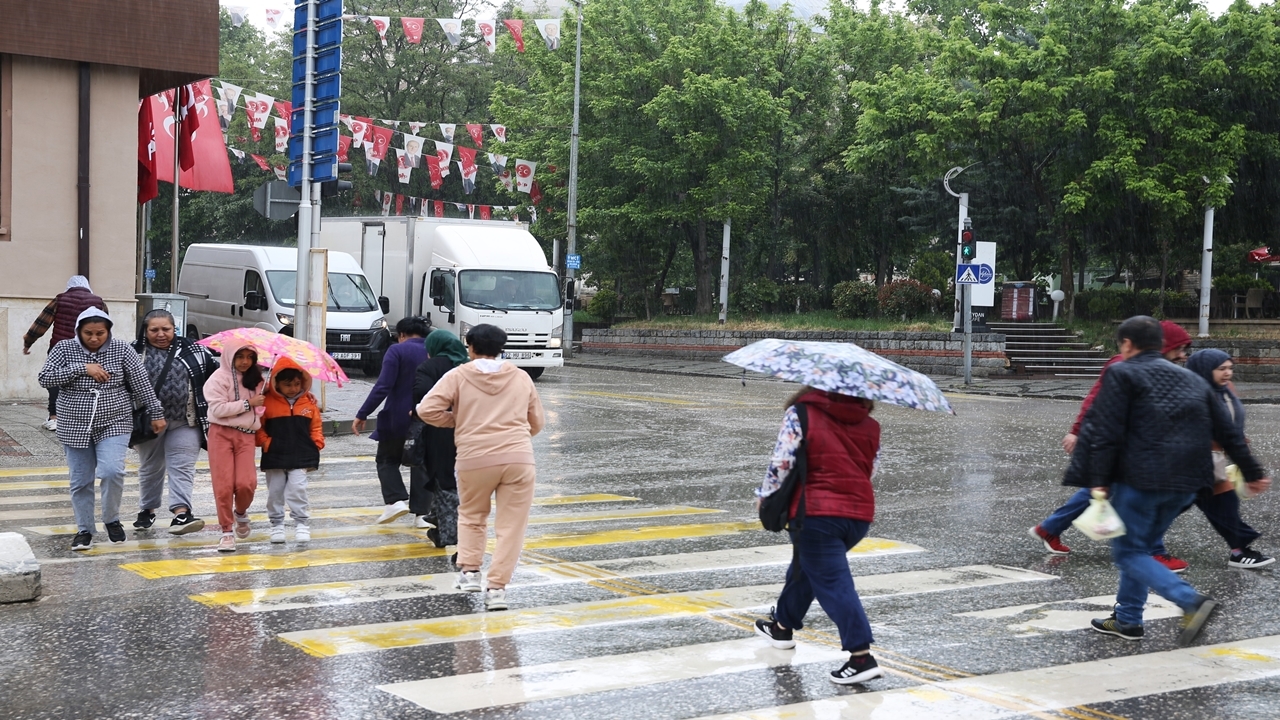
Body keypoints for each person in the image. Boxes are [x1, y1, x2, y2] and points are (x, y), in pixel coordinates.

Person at [1067, 316, 1270, 644]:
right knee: (1141, 550)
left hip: (1141, 481)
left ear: (1127, 344)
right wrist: (1253, 472)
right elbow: (1227, 431)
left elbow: (1106, 431)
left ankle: (1190, 601)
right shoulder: (1192, 378)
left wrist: (1098, 479)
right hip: (1188, 484)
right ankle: (1128, 619)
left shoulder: (1122, 372)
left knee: (1128, 553)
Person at [1029, 320, 1192, 571]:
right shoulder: (1123, 364)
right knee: (1142, 492)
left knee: (1100, 490)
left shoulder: (1158, 368)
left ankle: (1049, 528)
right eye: (1179, 348)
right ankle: (1153, 552)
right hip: (1121, 443)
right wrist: (1076, 431)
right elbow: (1095, 399)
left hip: (1130, 444)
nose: (1183, 356)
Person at [752, 387, 884, 685]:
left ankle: (861, 657)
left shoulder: (801, 414)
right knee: (807, 569)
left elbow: (782, 462)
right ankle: (781, 628)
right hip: (858, 516)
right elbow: (870, 469)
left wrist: (766, 496)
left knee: (833, 582)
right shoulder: (870, 424)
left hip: (815, 514)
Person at [416, 324, 545, 612]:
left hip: (474, 457)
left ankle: (471, 572)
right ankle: (497, 590)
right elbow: (536, 422)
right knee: (512, 527)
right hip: (518, 458)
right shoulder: (521, 377)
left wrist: (459, 421)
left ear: (470, 347)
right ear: (501, 348)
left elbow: (426, 410)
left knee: (472, 515)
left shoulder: (459, 375)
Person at [38, 308, 164, 551]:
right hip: (74, 424)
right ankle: (84, 529)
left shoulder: (122, 349)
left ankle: (111, 519)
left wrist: (156, 412)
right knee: (80, 481)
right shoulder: (64, 348)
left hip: (115, 421)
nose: (94, 338)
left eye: (100, 333)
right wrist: (82, 368)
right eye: (88, 333)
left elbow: (141, 383)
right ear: (78, 331)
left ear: (109, 331)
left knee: (112, 471)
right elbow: (45, 378)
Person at [130, 310, 218, 535]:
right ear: (145, 331)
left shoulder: (195, 350)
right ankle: (147, 510)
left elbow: (216, 377)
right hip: (149, 422)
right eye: (154, 330)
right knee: (151, 466)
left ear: (174, 329)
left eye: (166, 329)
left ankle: (181, 513)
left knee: (182, 467)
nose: (161, 334)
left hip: (187, 420)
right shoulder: (133, 353)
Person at [1185, 349, 1274, 568]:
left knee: (1225, 504)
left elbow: (1230, 429)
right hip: (1184, 465)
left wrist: (1241, 449)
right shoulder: (1189, 395)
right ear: (1205, 370)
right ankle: (1144, 549)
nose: (1228, 373)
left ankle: (1238, 551)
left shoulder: (1224, 391)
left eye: (1230, 368)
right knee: (1165, 509)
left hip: (1209, 463)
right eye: (1221, 369)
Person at [354, 317, 431, 526]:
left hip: (397, 416)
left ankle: (395, 500)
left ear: (402, 335)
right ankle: (422, 515)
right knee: (421, 463)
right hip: (428, 416)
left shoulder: (397, 350)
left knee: (387, 460)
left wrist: (363, 413)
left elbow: (383, 386)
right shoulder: (433, 350)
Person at [204, 338, 267, 553]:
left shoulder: (257, 380)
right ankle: (226, 531)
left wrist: (260, 406)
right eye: (239, 356)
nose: (245, 362)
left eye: (250, 357)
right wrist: (248, 404)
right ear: (229, 356)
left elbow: (260, 408)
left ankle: (240, 512)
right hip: (220, 434)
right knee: (223, 485)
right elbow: (218, 409)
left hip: (246, 436)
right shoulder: (218, 378)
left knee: (247, 483)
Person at [24, 275, 108, 431]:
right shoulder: (98, 301)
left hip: (60, 347)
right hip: (88, 348)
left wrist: (28, 342)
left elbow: (42, 323)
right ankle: (87, 415)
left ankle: (54, 417)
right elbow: (105, 326)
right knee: (86, 380)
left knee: (54, 380)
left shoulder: (60, 299)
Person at [411, 328, 470, 549]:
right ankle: (437, 522)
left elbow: (421, 394)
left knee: (443, 479)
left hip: (439, 429)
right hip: (468, 430)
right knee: (455, 479)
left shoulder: (430, 367)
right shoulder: (467, 367)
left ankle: (450, 533)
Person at [256, 358, 324, 544]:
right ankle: (277, 525)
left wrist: (316, 444)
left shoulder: (308, 403)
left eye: (297, 384)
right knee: (275, 492)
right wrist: (265, 443)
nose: (293, 389)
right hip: (275, 455)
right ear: (276, 383)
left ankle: (301, 523)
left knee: (298, 489)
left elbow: (316, 427)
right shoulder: (267, 402)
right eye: (288, 385)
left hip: (301, 454)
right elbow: (258, 426)